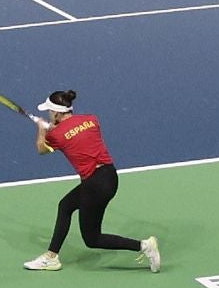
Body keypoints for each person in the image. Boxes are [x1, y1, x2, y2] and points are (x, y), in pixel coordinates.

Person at [24, 89, 158, 273]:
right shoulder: (91, 119)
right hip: (110, 178)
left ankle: (144, 246)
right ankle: (51, 256)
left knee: (92, 239)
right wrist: (55, 129)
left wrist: (41, 129)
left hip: (94, 184)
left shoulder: (55, 136)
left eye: (49, 110)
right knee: (65, 206)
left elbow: (42, 149)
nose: (48, 113)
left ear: (56, 112)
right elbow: (74, 135)